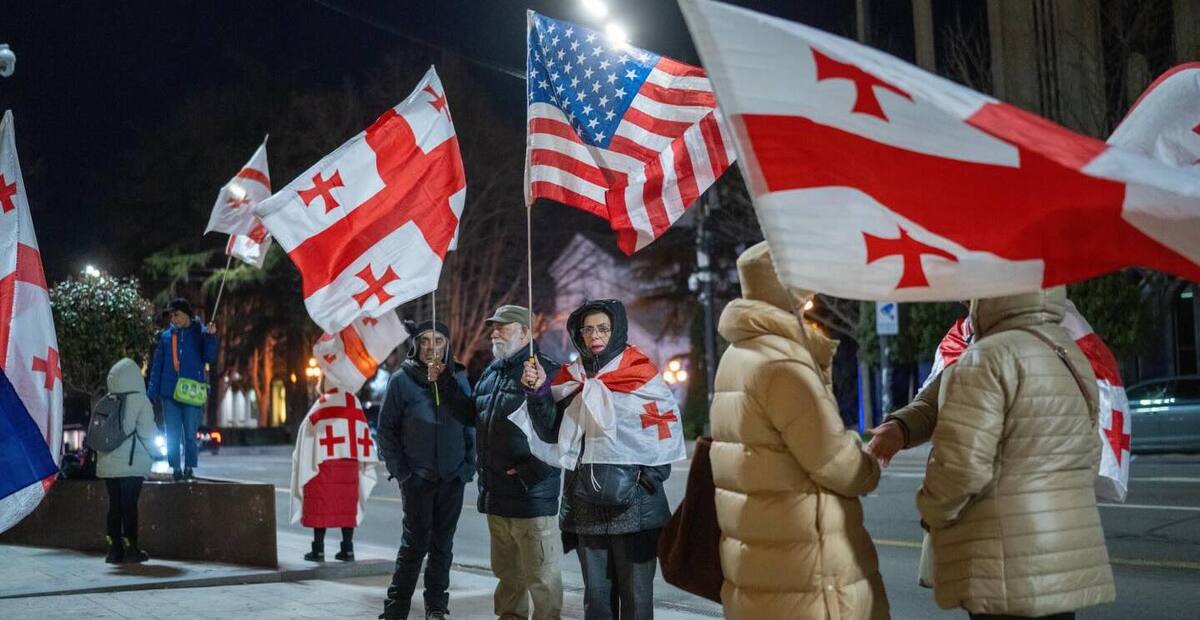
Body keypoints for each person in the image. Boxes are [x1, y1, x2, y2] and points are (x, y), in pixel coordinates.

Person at [707, 242, 888, 619]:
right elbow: (841, 466)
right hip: (806, 572)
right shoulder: (784, 366)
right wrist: (868, 457)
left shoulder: (737, 355)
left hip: (760, 563)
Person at [915, 288, 1115, 619]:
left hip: (1003, 558)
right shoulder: (1070, 352)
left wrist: (932, 512)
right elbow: (1090, 449)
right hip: (1064, 554)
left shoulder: (988, 356)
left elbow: (961, 467)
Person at [522, 299, 680, 620]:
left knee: (636, 602)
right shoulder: (571, 378)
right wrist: (539, 392)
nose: (595, 335)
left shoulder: (639, 372)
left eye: (603, 328)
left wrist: (644, 480)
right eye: (588, 329)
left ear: (616, 330)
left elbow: (663, 432)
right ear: (579, 335)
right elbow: (552, 432)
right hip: (587, 506)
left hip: (635, 508)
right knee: (596, 601)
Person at [464, 304, 563, 620]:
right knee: (508, 579)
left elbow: (561, 436)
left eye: (502, 327)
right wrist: (444, 385)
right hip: (497, 498)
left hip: (531, 499)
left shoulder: (548, 370)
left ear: (525, 332)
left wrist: (526, 475)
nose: (494, 332)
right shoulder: (493, 371)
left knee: (542, 580)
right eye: (493, 326)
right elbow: (474, 415)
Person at [376, 321, 476, 620]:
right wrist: (404, 473)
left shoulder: (458, 377)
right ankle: (396, 608)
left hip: (452, 477)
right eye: (426, 341)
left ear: (448, 346)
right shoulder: (401, 380)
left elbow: (470, 426)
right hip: (417, 478)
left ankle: (435, 606)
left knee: (443, 547)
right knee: (414, 545)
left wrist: (467, 467)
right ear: (416, 345)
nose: (433, 347)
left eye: (440, 341)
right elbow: (386, 432)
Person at [289, 381, 379, 566]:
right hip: (349, 463)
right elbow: (363, 432)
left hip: (324, 463)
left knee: (320, 505)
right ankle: (347, 549)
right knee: (347, 507)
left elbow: (307, 430)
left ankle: (318, 549)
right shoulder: (353, 402)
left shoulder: (323, 402)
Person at [146, 298, 218, 481]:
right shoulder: (166, 337)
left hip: (192, 393)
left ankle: (189, 468)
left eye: (176, 314)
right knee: (172, 435)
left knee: (190, 435)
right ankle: (176, 469)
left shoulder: (200, 333)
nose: (173, 319)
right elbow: (157, 367)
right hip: (169, 394)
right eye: (172, 315)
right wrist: (151, 394)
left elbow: (210, 357)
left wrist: (210, 337)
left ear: (187, 315)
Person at [96, 358, 158, 564]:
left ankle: (114, 549)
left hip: (108, 462)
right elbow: (148, 433)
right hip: (132, 463)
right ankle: (132, 548)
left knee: (114, 505)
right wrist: (158, 453)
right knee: (129, 505)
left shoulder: (106, 399)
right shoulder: (141, 400)